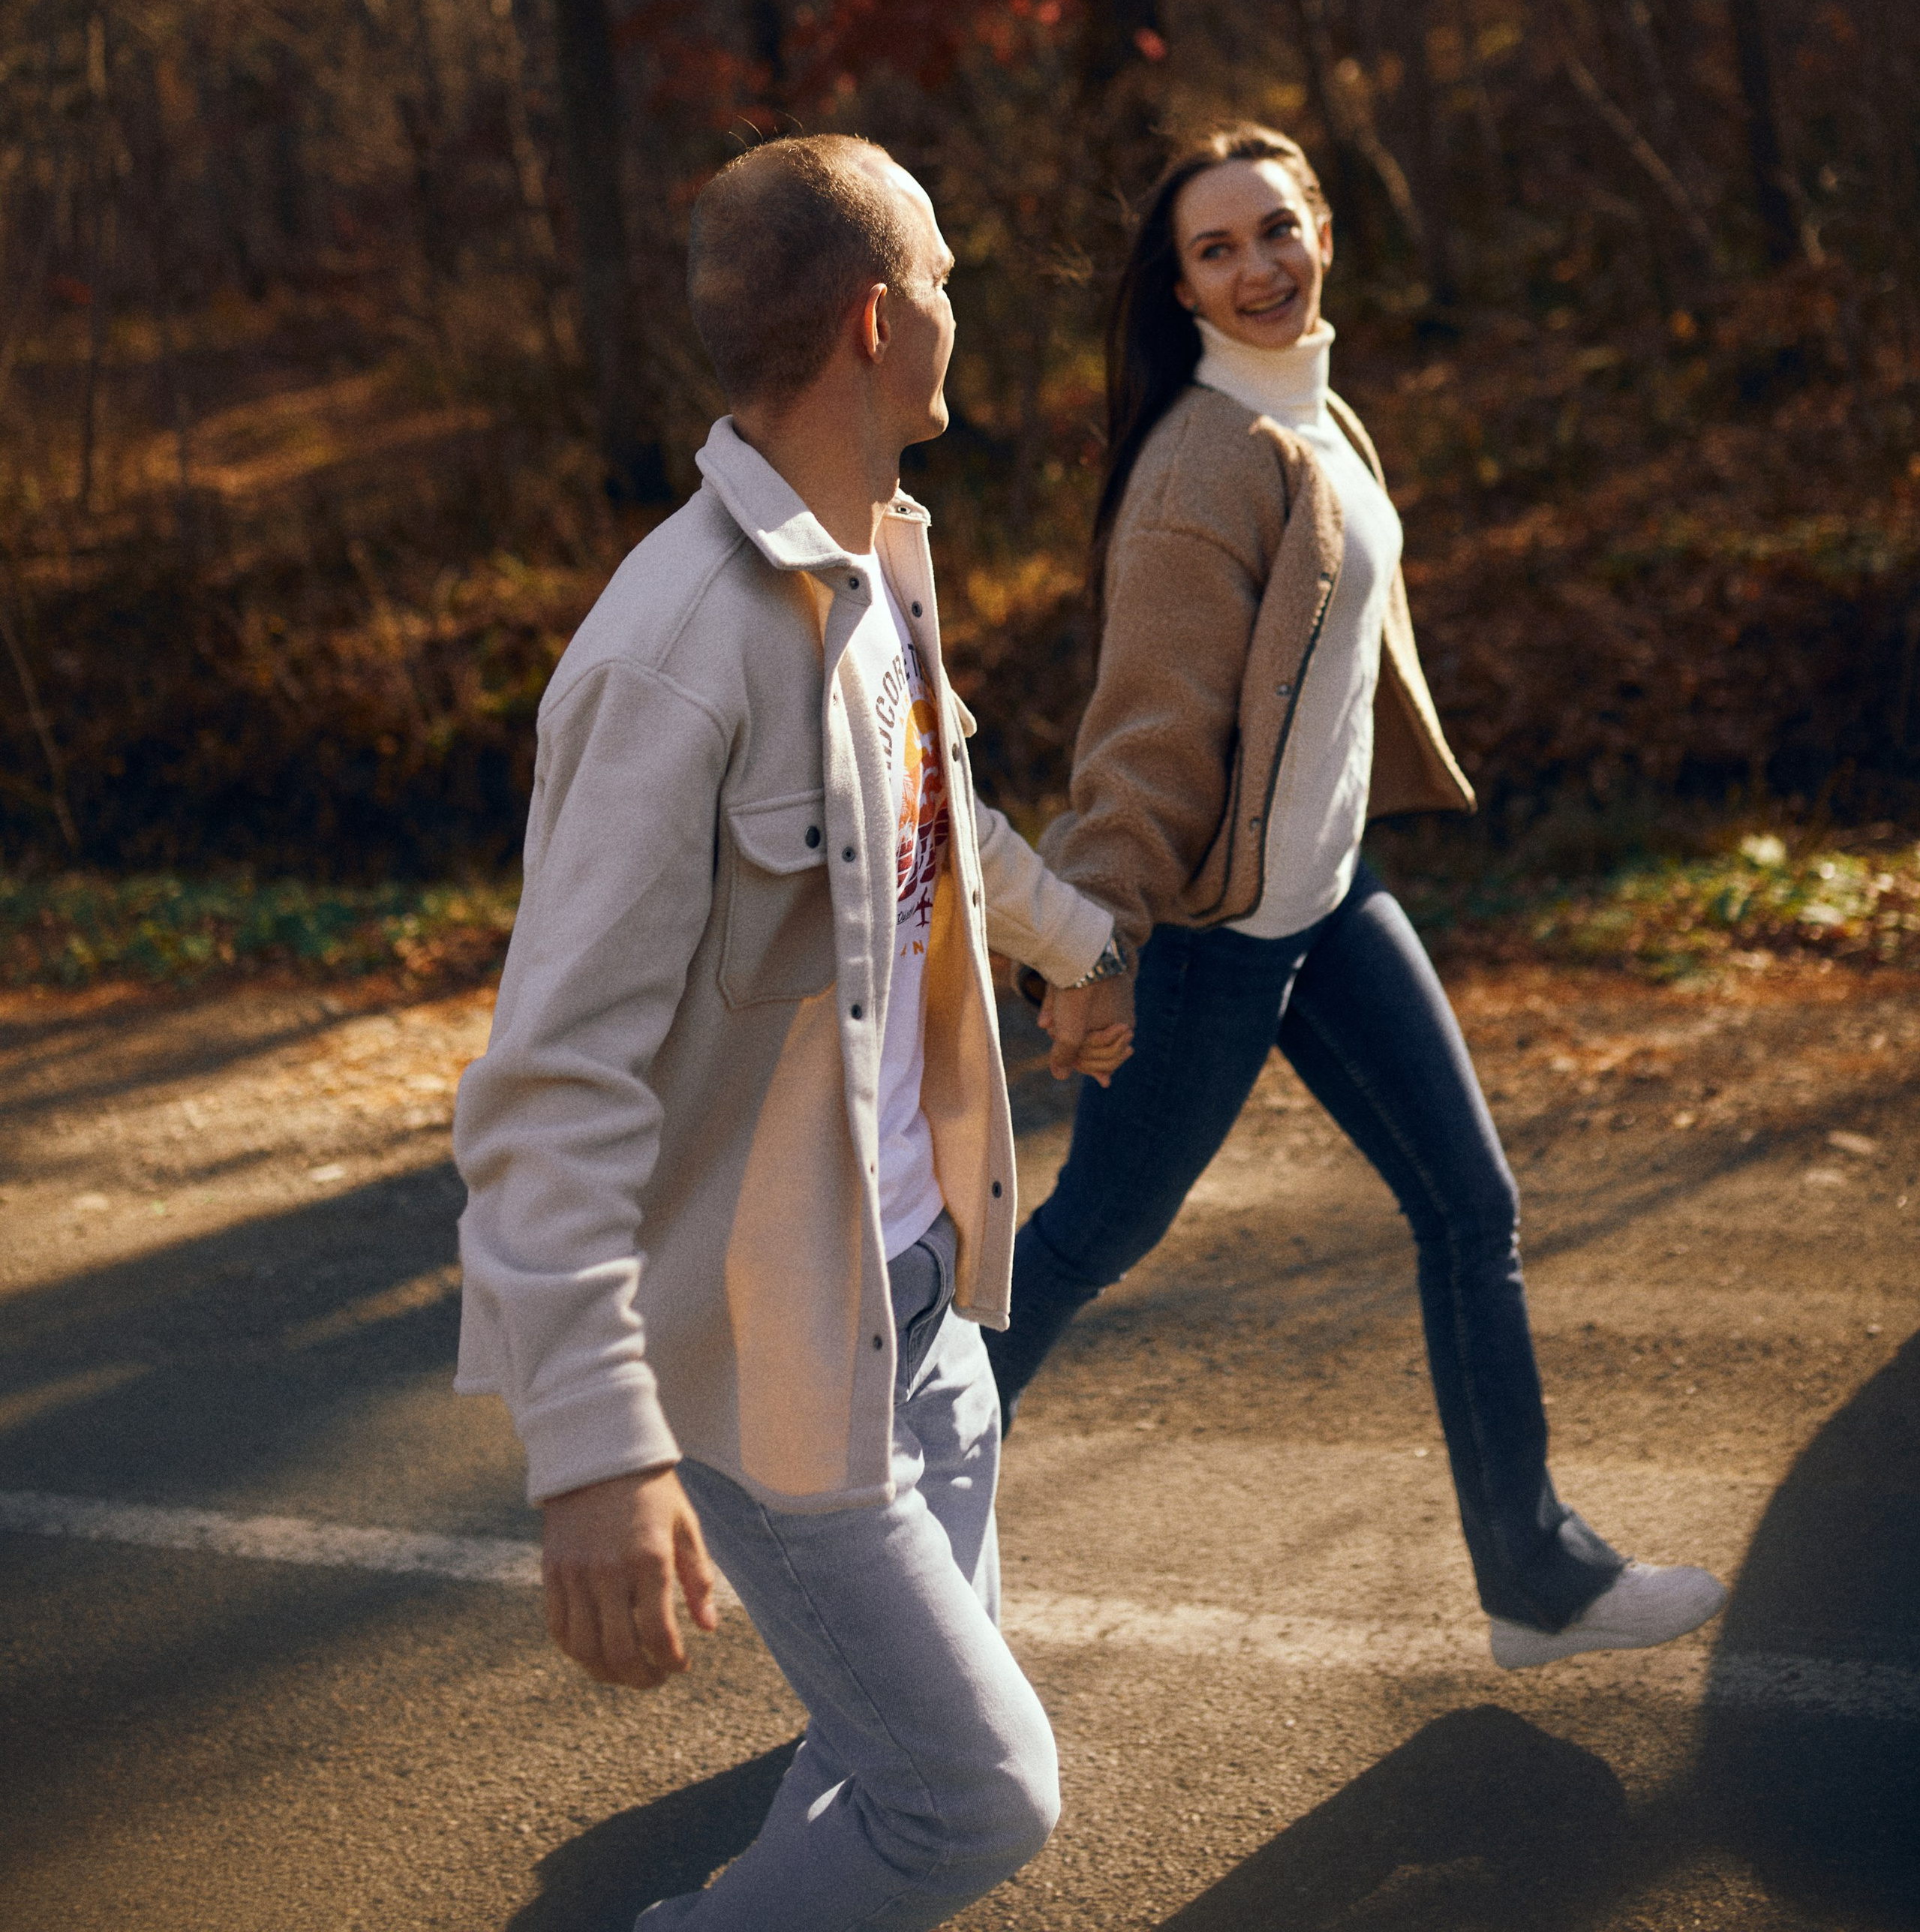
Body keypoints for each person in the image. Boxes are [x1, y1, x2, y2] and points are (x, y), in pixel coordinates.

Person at [452, 133, 1131, 1932]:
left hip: (920, 1303)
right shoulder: (674, 646)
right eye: (943, 273)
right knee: (971, 1796)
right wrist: (593, 1446)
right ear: (873, 322)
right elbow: (548, 1078)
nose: (957, 300)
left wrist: (1072, 945)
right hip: (769, 1346)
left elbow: (936, 818)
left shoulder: (866, 568)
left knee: (875, 1751)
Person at [986, 122, 1726, 1670]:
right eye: (1215, 249)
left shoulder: (1322, 422)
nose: (1256, 267)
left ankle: (1536, 1585)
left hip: (1320, 902)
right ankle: (879, 1521)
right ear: (1178, 287)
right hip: (1206, 939)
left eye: (1274, 230)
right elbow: (1143, 738)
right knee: (1079, 1244)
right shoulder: (1205, 465)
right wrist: (1088, 943)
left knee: (1470, 1206)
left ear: (1321, 229)